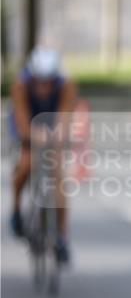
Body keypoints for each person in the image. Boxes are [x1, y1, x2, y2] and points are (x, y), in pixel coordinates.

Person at [8, 46, 78, 263]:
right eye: (39, 82)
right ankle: (17, 209)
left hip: (51, 123)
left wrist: (58, 133)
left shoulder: (66, 85)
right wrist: (32, 135)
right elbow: (21, 118)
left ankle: (62, 236)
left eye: (48, 82)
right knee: (25, 166)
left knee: (58, 177)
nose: (44, 87)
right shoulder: (20, 86)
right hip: (28, 122)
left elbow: (65, 116)